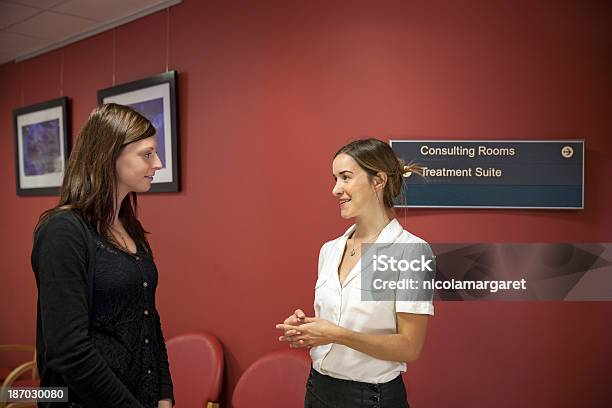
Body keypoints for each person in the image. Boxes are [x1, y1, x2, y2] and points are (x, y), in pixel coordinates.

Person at [31, 104, 174, 408]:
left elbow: (149, 318)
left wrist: (164, 394)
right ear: (110, 155)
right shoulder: (63, 231)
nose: (158, 163)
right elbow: (68, 349)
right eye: (147, 154)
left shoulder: (130, 228)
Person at [276, 138, 434, 408]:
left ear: (378, 181)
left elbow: (410, 347)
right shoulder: (330, 249)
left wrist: (335, 334)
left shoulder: (410, 251)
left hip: (371, 399)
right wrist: (308, 328)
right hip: (317, 390)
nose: (336, 189)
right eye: (335, 179)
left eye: (346, 178)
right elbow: (337, 321)